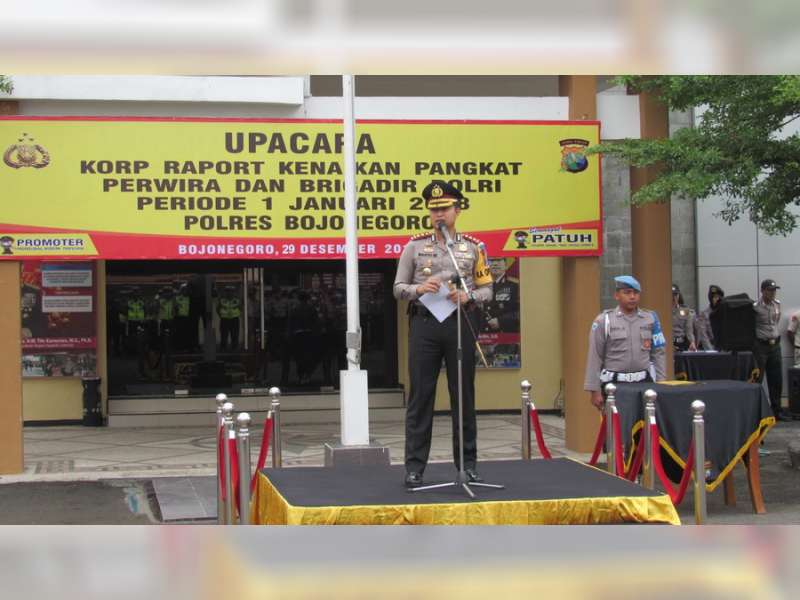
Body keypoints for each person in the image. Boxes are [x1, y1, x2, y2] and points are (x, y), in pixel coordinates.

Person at [393, 180, 493, 487]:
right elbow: (398, 288)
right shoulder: (414, 247)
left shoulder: (474, 247)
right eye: (434, 209)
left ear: (457, 210)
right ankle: (414, 468)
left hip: (459, 322)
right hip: (425, 323)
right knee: (421, 396)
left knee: (463, 395)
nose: (439, 214)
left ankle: (468, 464)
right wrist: (418, 288)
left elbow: (487, 289)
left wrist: (469, 297)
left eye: (445, 209)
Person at [584, 275, 667, 411]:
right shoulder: (603, 321)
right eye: (627, 292)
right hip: (614, 386)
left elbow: (659, 352)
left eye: (635, 293)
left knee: (644, 429)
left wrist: (661, 383)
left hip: (644, 383)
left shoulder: (650, 319)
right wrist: (594, 390)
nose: (632, 296)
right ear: (617, 295)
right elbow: (595, 356)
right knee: (616, 429)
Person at [754, 279, 789, 420]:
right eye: (770, 290)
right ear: (762, 291)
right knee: (758, 378)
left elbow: (775, 322)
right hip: (761, 346)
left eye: (774, 290)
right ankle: (757, 411)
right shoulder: (755, 307)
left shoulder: (777, 304)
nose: (773, 293)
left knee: (776, 379)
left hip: (775, 345)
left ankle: (777, 410)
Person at [696, 284, 724, 351]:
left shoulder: (725, 313)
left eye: (719, 297)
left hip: (724, 349)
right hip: (711, 347)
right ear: (711, 299)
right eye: (715, 297)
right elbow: (703, 336)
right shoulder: (704, 314)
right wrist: (711, 351)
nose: (717, 299)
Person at [671, 284, 697, 352]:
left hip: (681, 343)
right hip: (668, 344)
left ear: (679, 295)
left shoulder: (685, 311)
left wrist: (692, 342)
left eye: (675, 295)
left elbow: (689, 329)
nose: (673, 298)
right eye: (671, 295)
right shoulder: (663, 311)